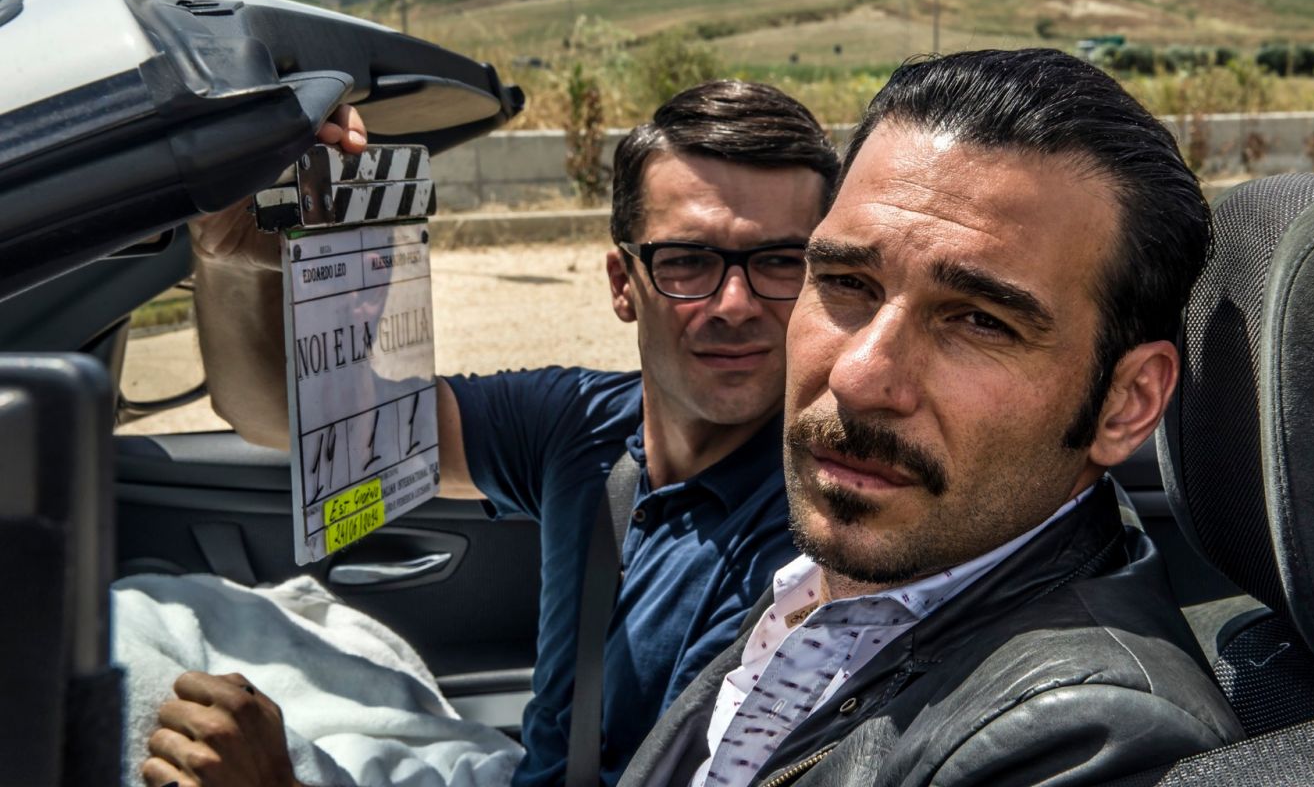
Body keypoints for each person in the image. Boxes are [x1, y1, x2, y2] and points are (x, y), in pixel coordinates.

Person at [139, 81, 839, 787]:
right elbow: (299, 424)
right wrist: (233, 259)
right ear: (622, 284)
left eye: (782, 261)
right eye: (687, 260)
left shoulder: (819, 541)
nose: (734, 304)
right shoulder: (578, 423)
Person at [618, 49, 1245, 787]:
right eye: (846, 281)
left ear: (1126, 402)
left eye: (979, 321)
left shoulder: (1094, 742)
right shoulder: (852, 576)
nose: (858, 377)